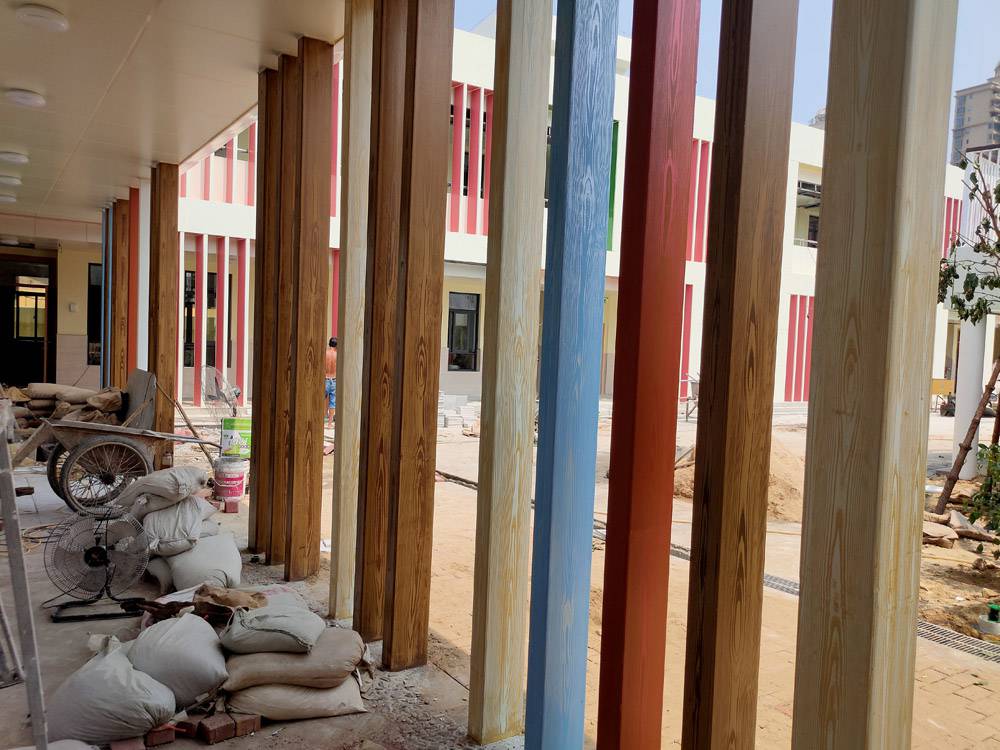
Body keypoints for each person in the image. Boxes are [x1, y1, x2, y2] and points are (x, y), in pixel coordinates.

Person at [325, 337, 338, 427]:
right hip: (334, 379)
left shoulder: (325, 353)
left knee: (322, 400)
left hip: (325, 379)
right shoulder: (337, 355)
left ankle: (321, 421)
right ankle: (329, 424)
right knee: (332, 402)